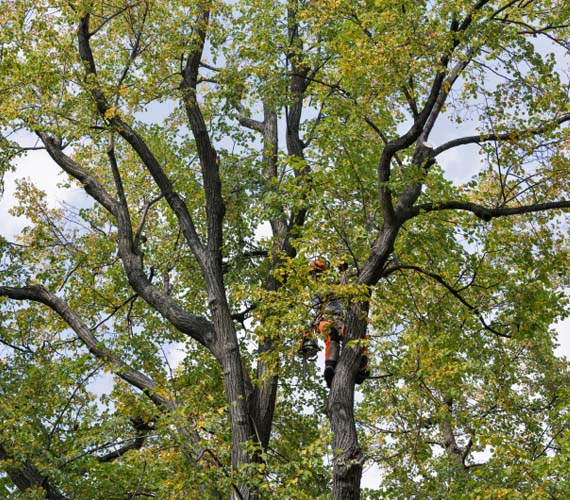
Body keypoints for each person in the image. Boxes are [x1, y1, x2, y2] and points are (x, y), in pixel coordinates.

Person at [300, 258, 369, 388]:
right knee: (332, 336)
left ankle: (362, 366)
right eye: (314, 274)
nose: (316, 276)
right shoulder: (315, 291)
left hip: (341, 319)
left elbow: (345, 289)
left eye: (318, 273)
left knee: (360, 337)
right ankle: (329, 368)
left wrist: (342, 271)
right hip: (324, 320)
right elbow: (314, 310)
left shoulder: (333, 284)